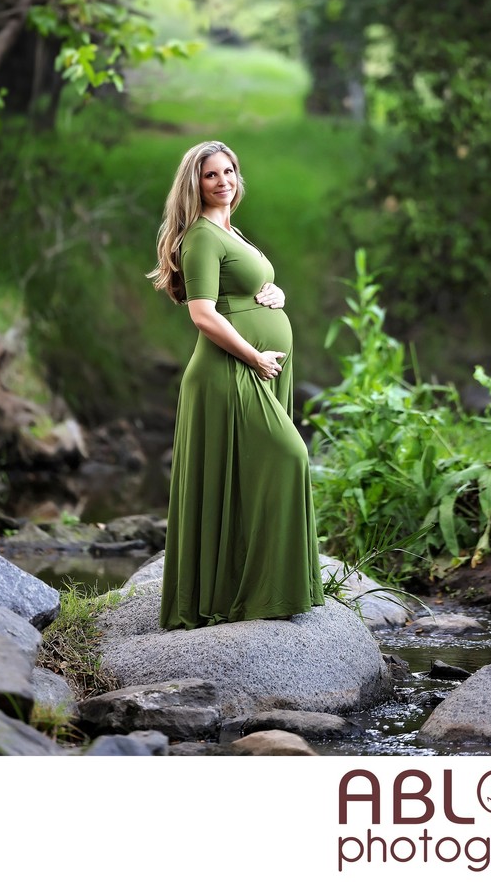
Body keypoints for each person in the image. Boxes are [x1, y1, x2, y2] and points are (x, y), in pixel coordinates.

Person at [147, 140, 325, 630]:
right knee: (290, 457)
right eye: (211, 175)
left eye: (229, 171)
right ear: (194, 184)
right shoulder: (202, 236)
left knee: (248, 481)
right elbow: (202, 315)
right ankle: (264, 592)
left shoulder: (231, 230)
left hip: (259, 366)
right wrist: (254, 357)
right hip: (230, 372)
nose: (223, 181)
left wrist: (276, 293)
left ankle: (257, 593)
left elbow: (246, 289)